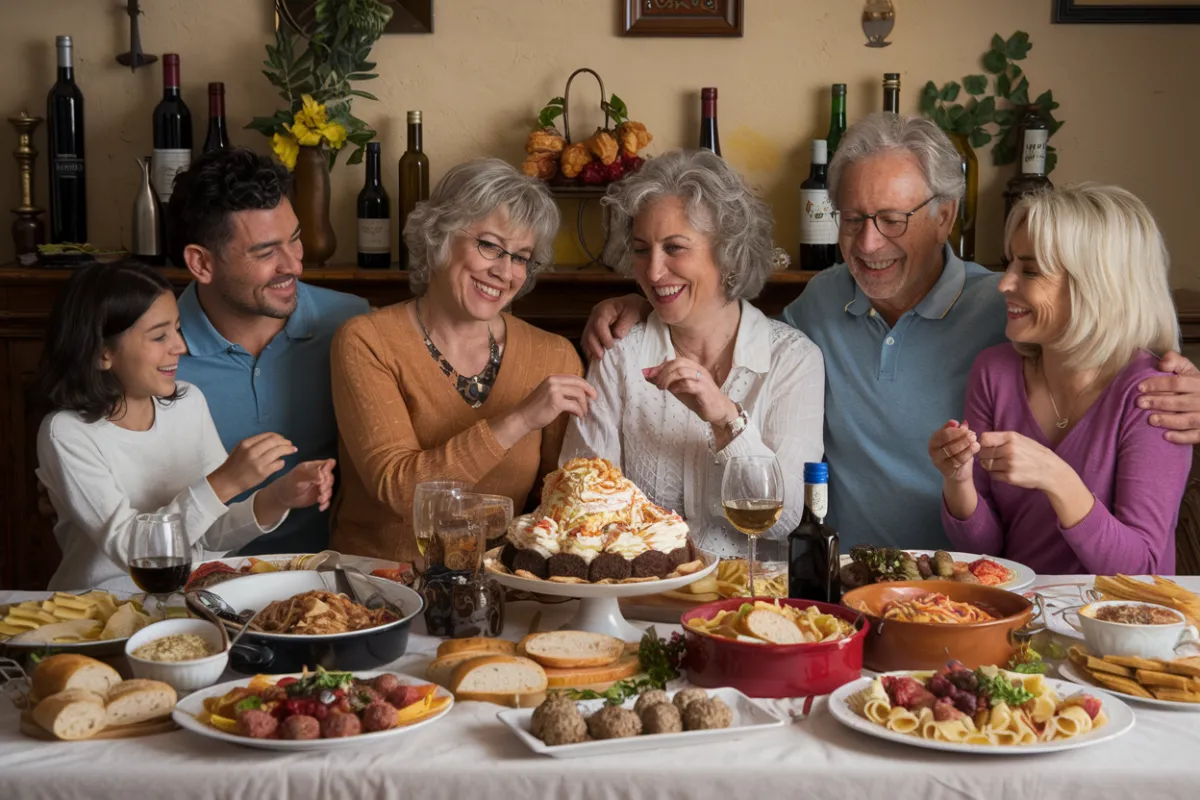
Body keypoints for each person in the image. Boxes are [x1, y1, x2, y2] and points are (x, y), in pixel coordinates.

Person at [582, 113, 1200, 551]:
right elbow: (727, 316)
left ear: (945, 216)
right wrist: (641, 300)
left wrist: (1180, 375)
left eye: (892, 219)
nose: (868, 244)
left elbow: (1105, 323)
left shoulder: (1004, 308)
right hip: (843, 576)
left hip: (967, 573)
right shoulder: (821, 303)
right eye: (852, 219)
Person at [560, 149, 824, 555]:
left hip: (752, 605)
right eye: (642, 249)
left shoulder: (793, 359)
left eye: (675, 248)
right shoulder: (618, 353)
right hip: (642, 601)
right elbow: (580, 504)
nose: (652, 272)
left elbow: (788, 521)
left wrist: (726, 419)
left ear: (727, 252)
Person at [329, 158, 591, 562]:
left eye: (521, 257)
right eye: (489, 246)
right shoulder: (368, 340)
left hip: (504, 593)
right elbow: (399, 490)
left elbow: (567, 496)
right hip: (381, 590)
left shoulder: (553, 356)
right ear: (440, 236)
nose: (505, 272)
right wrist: (520, 419)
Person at [930, 185, 1189, 574]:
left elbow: (1144, 571)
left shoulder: (1156, 395)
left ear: (1098, 285)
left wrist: (1055, 476)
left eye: (1030, 270)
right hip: (1017, 619)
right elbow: (987, 550)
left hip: (1117, 626)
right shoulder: (994, 372)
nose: (1003, 284)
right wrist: (958, 480)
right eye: (1010, 264)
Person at [35, 261, 335, 590]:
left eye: (177, 329)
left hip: (187, 601)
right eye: (159, 336)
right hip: (97, 609)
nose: (179, 346)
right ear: (103, 353)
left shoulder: (187, 402)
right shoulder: (66, 432)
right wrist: (225, 482)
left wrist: (279, 496)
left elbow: (211, 535)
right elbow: (133, 551)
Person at [167, 148, 368, 555]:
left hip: (330, 578)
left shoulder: (352, 324)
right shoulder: (154, 353)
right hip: (197, 582)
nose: (293, 265)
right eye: (264, 253)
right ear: (201, 263)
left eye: (294, 241)